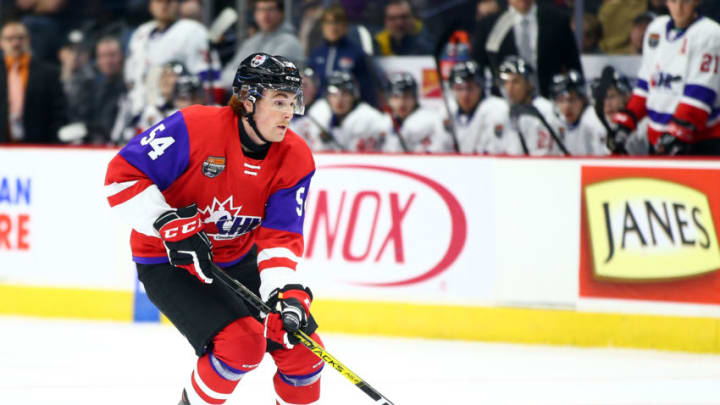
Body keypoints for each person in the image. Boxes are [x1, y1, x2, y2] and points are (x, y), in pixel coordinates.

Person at [104, 53, 323, 405]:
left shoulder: (296, 157)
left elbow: (279, 238)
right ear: (248, 100)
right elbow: (121, 176)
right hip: (168, 262)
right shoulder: (194, 127)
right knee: (241, 346)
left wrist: (284, 294)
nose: (289, 112)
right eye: (279, 101)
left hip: (237, 258)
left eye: (293, 102)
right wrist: (167, 223)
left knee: (303, 352)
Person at [612, 0, 720, 155]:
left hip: (701, 141)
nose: (679, 8)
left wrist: (677, 131)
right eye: (674, 1)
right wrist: (627, 120)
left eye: (685, 2)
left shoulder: (709, 33)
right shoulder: (656, 29)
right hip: (659, 138)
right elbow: (645, 85)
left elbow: (700, 94)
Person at [124, 0, 219, 120]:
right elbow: (131, 80)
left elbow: (211, 84)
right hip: (141, 116)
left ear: (178, 4)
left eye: (169, 1)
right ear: (150, 5)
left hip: (179, 117)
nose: (164, 5)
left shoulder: (194, 31)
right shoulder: (140, 34)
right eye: (159, 1)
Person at [471, 0, 583, 98]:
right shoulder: (489, 25)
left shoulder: (557, 21)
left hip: (549, 100)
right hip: (504, 104)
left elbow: (573, 65)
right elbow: (478, 67)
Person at [0, 20, 66, 143]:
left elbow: (59, 110)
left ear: (28, 40)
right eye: (10, 39)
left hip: (38, 145)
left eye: (20, 38)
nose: (16, 43)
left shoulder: (48, 73)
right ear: (1, 42)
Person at [219, 0, 305, 89]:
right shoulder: (251, 41)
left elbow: (265, 78)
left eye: (270, 9)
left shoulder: (290, 42)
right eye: (260, 10)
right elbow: (226, 76)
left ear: (281, 13)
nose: (265, 15)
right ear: (255, 14)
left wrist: (241, 77)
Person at [307, 4, 378, 107]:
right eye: (329, 23)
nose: (333, 27)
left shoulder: (357, 53)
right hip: (319, 108)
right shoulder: (316, 54)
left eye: (338, 22)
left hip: (349, 108)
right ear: (322, 26)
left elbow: (366, 88)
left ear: (345, 26)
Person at [306, 71, 391, 151]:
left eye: (345, 94)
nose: (339, 100)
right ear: (328, 97)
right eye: (334, 95)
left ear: (354, 96)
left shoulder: (368, 116)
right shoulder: (320, 114)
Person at [497, 56, 563, 156]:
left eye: (515, 81)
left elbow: (546, 155)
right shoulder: (503, 111)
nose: (510, 88)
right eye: (506, 82)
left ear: (529, 83)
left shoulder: (545, 110)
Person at [445, 60, 509, 154]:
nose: (465, 94)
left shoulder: (495, 109)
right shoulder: (447, 111)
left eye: (470, 88)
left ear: (481, 87)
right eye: (459, 88)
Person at [385, 72, 453, 153]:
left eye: (406, 96)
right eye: (396, 97)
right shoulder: (384, 122)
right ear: (389, 99)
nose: (401, 102)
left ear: (415, 98)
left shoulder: (431, 119)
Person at [550, 70, 610, 156]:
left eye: (572, 99)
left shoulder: (592, 121)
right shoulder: (558, 123)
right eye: (561, 100)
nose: (567, 106)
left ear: (583, 99)